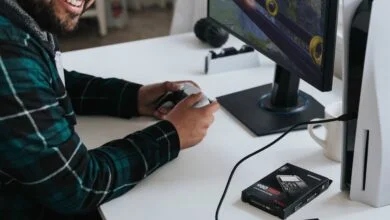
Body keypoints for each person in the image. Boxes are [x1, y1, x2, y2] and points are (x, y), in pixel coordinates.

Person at [0, 0, 220, 219]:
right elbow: (77, 186)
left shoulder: (22, 17)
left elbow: (46, 81)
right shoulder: (8, 54)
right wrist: (171, 135)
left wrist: (133, 97)